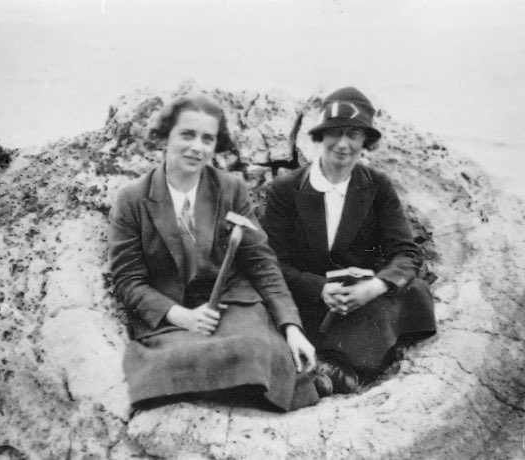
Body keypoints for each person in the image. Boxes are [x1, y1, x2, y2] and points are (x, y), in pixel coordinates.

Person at [108, 95, 319, 412]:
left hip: (232, 306)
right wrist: (183, 317)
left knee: (257, 350)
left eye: (207, 139)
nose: (197, 147)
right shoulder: (132, 199)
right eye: (187, 135)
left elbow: (262, 264)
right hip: (172, 316)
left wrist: (292, 327)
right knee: (165, 366)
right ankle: (256, 385)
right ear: (166, 137)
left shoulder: (230, 189)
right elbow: (128, 282)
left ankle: (288, 376)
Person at [263, 87, 437, 395]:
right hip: (306, 300)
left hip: (360, 303)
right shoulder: (285, 189)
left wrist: (373, 287)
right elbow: (273, 262)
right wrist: (320, 288)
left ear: (365, 141)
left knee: (414, 292)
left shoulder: (378, 186)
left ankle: (333, 364)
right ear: (321, 136)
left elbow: (406, 253)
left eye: (354, 135)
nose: (343, 144)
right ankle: (331, 366)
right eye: (335, 132)